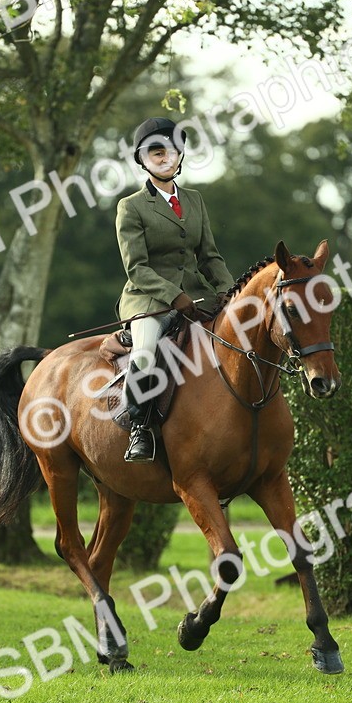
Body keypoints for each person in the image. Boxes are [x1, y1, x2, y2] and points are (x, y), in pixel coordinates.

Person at [115, 117, 235, 463]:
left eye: (172, 151)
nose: (166, 157)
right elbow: (137, 268)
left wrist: (228, 289)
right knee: (145, 352)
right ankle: (139, 428)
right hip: (149, 300)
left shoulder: (195, 200)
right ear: (143, 159)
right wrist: (173, 296)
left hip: (198, 296)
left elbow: (209, 256)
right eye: (157, 152)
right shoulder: (131, 206)